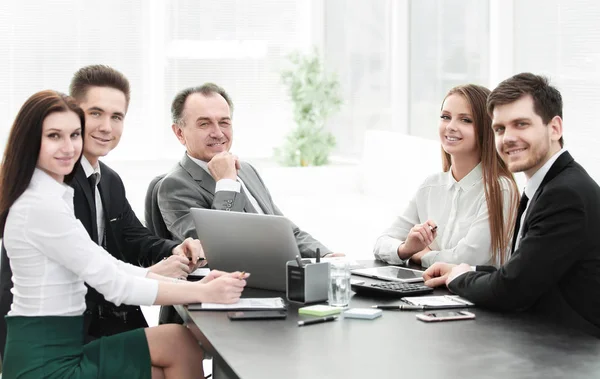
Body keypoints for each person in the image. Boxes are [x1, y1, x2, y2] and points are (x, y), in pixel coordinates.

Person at [0, 90, 248, 378]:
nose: (68, 147)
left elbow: (111, 264)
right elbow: (114, 284)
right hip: (44, 362)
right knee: (171, 359)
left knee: (180, 342)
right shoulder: (40, 207)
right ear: (31, 141)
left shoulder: (54, 194)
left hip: (62, 346)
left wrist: (189, 282)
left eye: (74, 135)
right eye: (54, 136)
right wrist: (202, 291)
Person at [423, 73, 600, 337]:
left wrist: (458, 278)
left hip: (573, 354)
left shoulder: (565, 194)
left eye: (521, 124)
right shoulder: (547, 185)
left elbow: (514, 289)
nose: (507, 138)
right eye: (500, 129)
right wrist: (466, 270)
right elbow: (526, 270)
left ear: (555, 128)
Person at [158, 83, 342, 258]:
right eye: (204, 124)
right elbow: (218, 248)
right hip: (237, 283)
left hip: (281, 272)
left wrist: (327, 256)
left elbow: (283, 230)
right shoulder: (174, 187)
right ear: (179, 133)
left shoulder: (246, 170)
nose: (218, 133)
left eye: (224, 122)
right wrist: (226, 184)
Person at [374, 84, 519, 268]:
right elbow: (382, 242)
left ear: (486, 128)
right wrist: (406, 248)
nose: (450, 127)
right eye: (445, 117)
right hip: (426, 293)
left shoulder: (499, 188)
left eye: (465, 120)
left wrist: (422, 256)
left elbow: (469, 259)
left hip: (472, 296)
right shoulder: (431, 186)